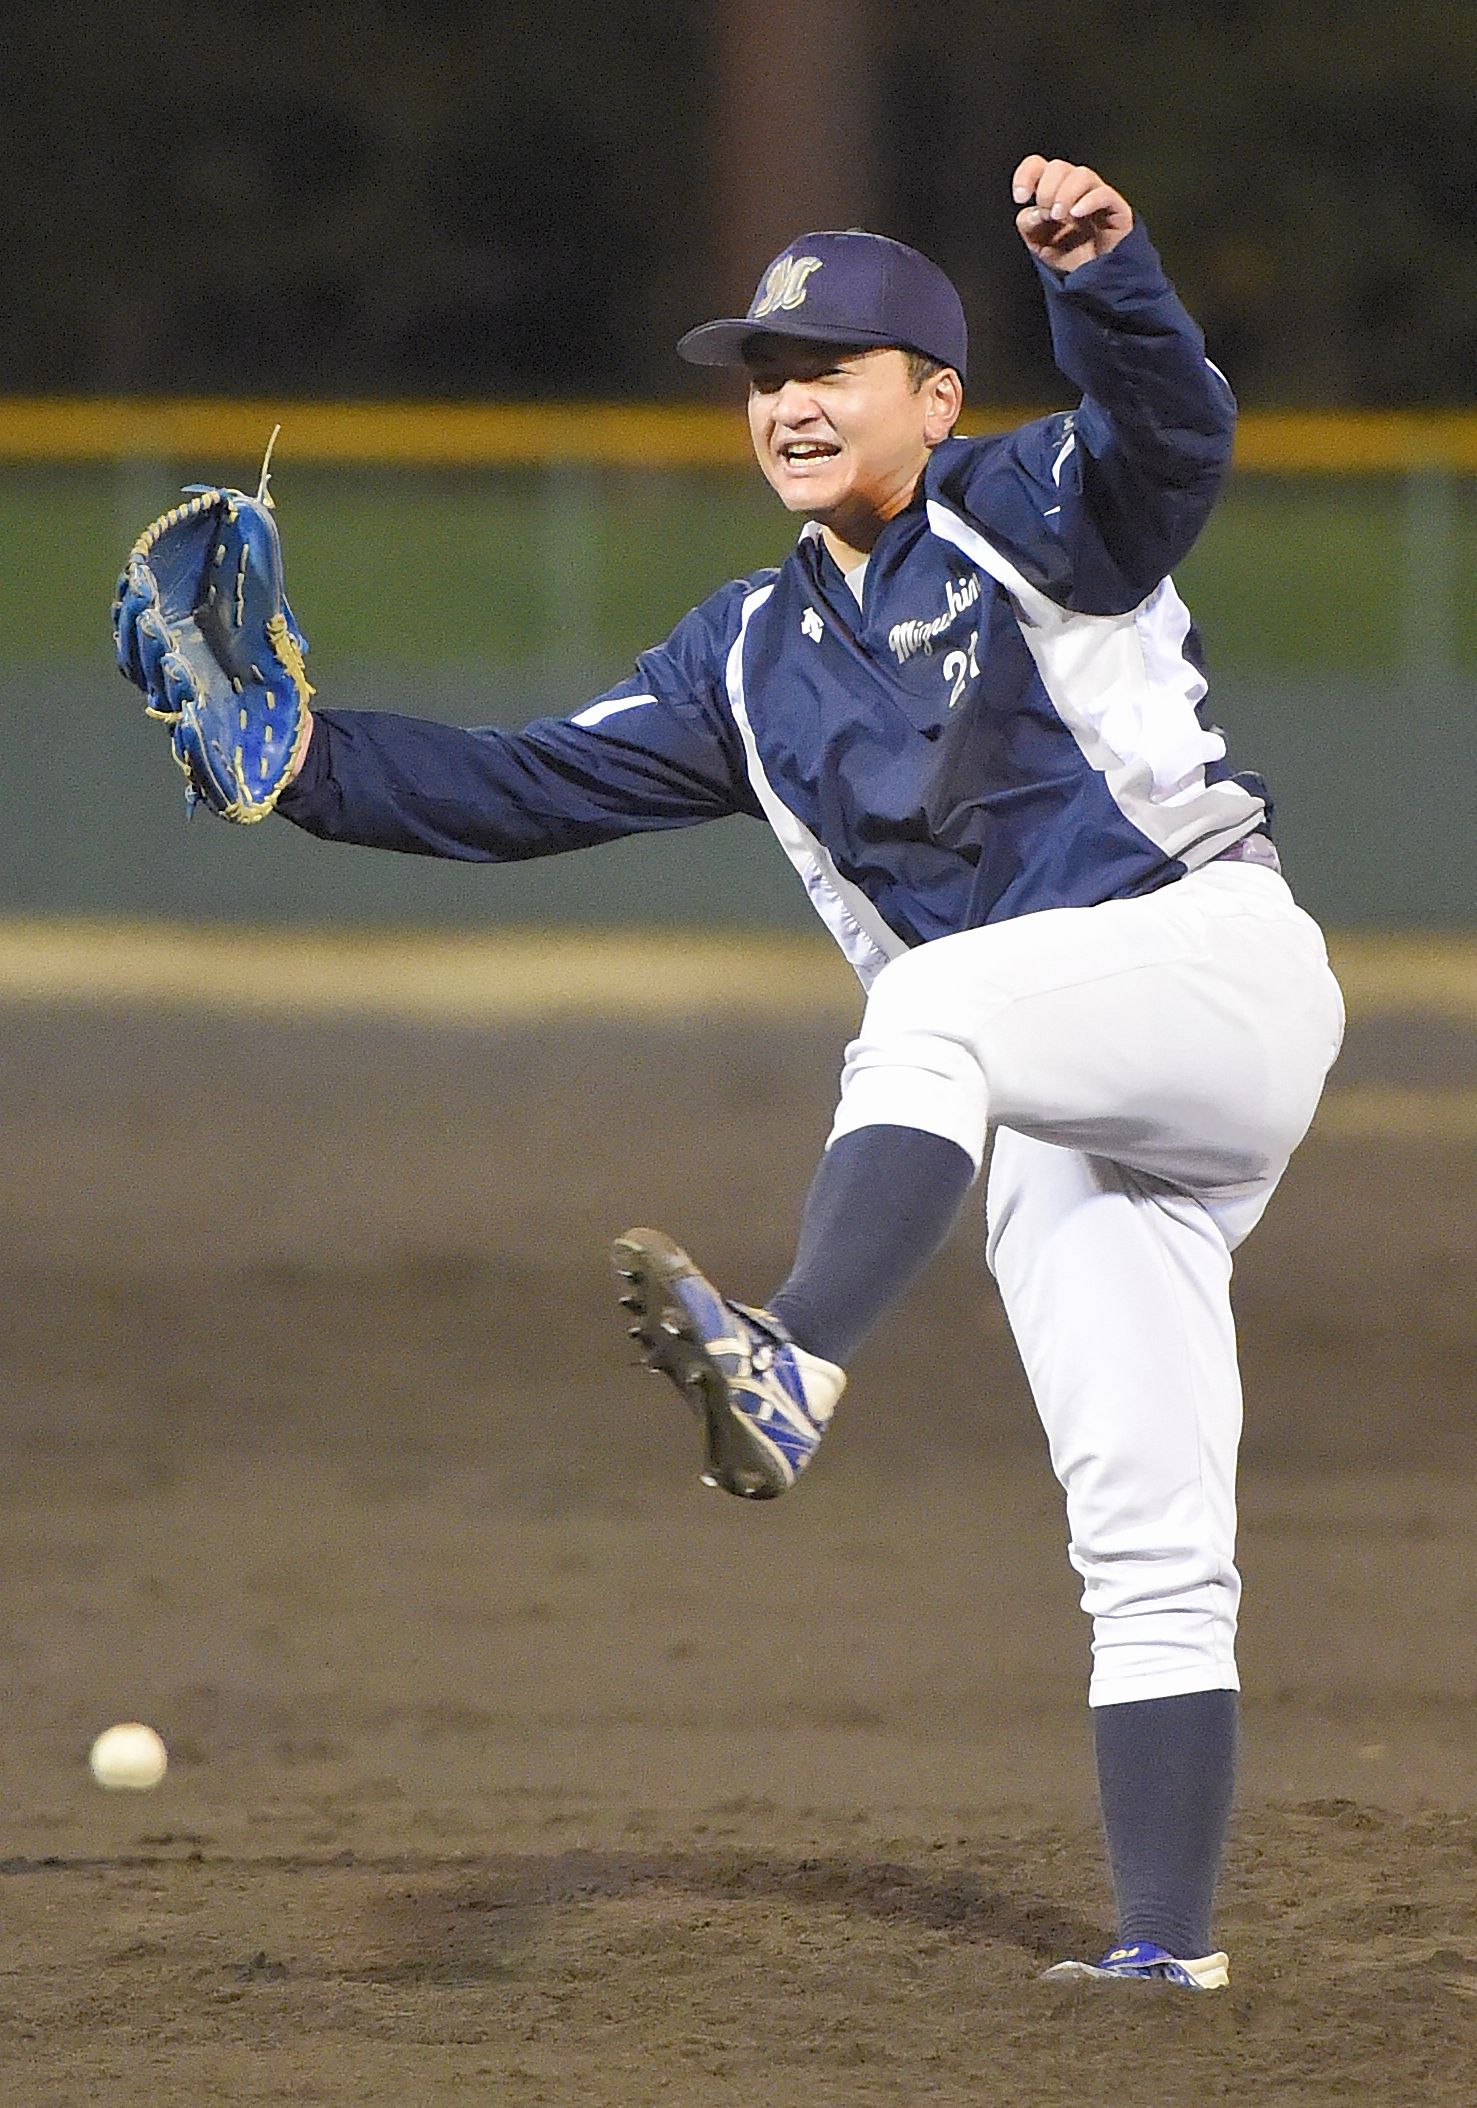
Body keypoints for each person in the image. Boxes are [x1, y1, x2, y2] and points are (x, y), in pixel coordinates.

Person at [260, 155, 1344, 1987]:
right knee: (1143, 1525)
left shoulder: (1031, 508)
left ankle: (796, 1363)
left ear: (933, 396)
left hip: (1217, 976)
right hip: (1056, 1105)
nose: (786, 396)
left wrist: (1107, 279)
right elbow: (518, 789)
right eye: (764, 368)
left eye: (833, 362)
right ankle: (1166, 1954)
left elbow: (1170, 437)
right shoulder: (745, 654)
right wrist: (284, 756)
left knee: (927, 1012)